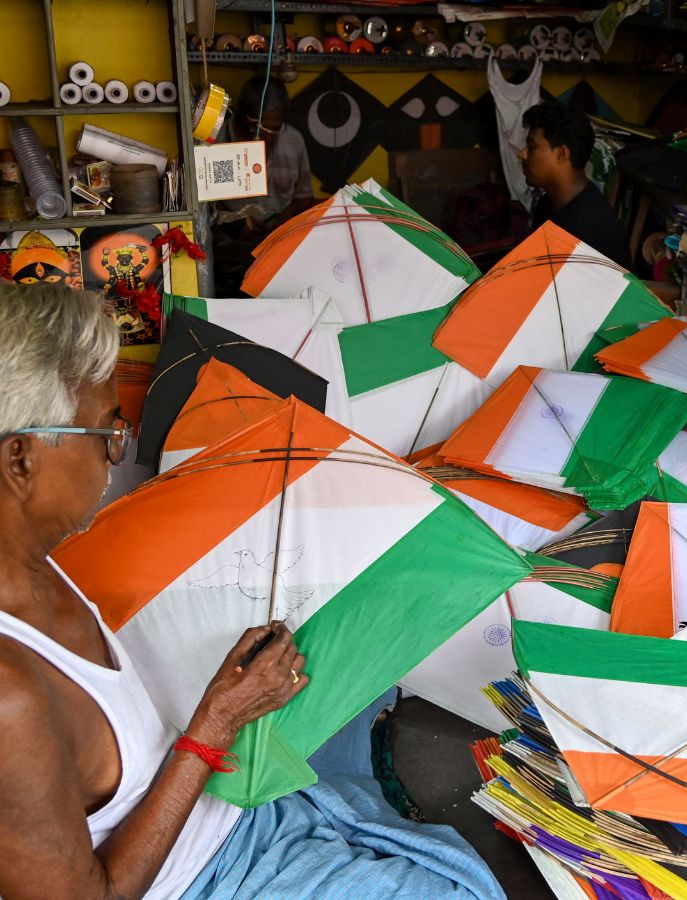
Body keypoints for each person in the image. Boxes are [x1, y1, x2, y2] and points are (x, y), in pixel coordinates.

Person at [0, 283, 504, 899]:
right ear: (20, 459)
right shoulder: (9, 699)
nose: (116, 454)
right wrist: (217, 722)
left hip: (221, 805)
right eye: (107, 432)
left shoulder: (37, 561)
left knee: (367, 652)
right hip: (198, 874)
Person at [212, 76, 315, 295]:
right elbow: (199, 204)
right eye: (254, 127)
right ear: (241, 114)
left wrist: (282, 220)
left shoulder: (293, 141)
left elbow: (304, 197)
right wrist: (232, 222)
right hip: (228, 249)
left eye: (273, 130)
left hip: (276, 246)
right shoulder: (217, 142)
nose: (263, 137)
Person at [519, 101, 632, 268]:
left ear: (562, 154)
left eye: (532, 146)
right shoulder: (548, 205)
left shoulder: (587, 228)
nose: (522, 154)